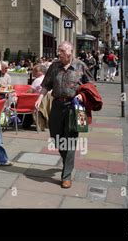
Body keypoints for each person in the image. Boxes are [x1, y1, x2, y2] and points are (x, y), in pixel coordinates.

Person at [34, 41, 92, 189]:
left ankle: (66, 176)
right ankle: (68, 162)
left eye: (61, 51)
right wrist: (39, 98)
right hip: (57, 105)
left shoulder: (80, 66)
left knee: (71, 140)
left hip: (75, 107)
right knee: (56, 136)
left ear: (70, 52)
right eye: (59, 51)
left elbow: (90, 85)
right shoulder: (54, 66)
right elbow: (46, 84)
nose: (58, 53)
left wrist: (82, 95)